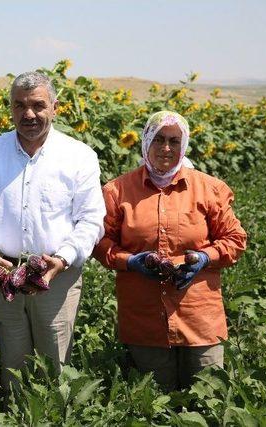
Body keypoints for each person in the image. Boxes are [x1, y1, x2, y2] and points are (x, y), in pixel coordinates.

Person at [0, 71, 106, 390]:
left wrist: (64, 259)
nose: (29, 114)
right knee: (12, 368)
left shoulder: (78, 156)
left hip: (57, 277)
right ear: (10, 108)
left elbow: (91, 220)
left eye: (38, 105)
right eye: (19, 105)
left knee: (51, 370)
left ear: (54, 107)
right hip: (5, 274)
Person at [92, 111, 247, 391]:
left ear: (184, 144)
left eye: (174, 141)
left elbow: (235, 239)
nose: (166, 148)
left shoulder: (209, 189)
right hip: (144, 318)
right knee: (155, 402)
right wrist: (131, 261)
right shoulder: (117, 191)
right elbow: (99, 243)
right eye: (159, 140)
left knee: (208, 396)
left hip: (200, 317)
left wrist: (204, 258)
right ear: (146, 142)